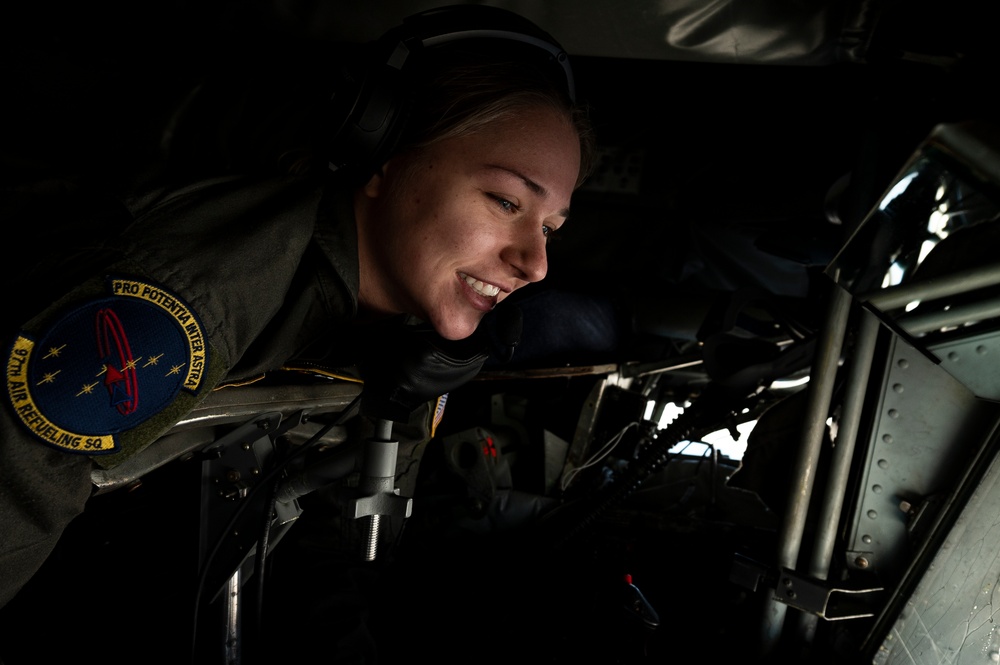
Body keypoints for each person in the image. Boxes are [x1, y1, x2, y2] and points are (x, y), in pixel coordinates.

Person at [0, 2, 594, 626]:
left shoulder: (395, 338)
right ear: (383, 157)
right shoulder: (188, 303)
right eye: (505, 201)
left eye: (550, 229)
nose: (535, 263)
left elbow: (325, 536)